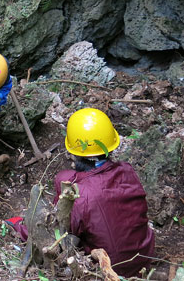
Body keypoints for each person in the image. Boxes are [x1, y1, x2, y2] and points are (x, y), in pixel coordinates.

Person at [54, 108, 155, 277]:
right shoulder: (127, 171)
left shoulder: (78, 192)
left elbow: (62, 229)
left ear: (74, 151)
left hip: (109, 270)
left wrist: (18, 227)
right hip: (143, 259)